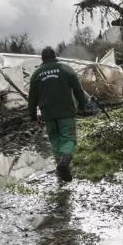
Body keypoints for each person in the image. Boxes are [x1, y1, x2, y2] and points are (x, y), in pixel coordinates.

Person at [28, 46, 88, 181]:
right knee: (68, 138)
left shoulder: (36, 74)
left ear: (42, 59)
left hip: (47, 114)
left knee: (55, 141)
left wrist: (32, 116)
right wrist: (82, 107)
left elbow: (32, 98)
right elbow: (79, 90)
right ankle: (65, 161)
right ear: (55, 56)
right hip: (66, 111)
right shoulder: (66, 69)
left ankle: (60, 171)